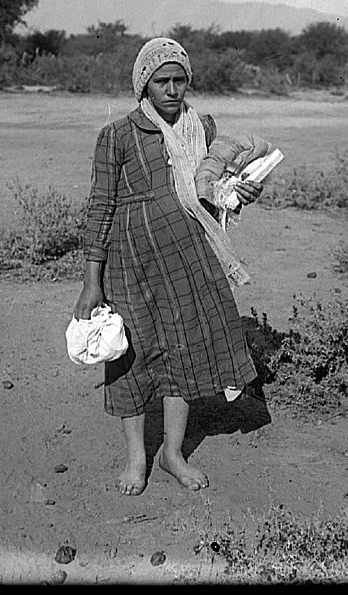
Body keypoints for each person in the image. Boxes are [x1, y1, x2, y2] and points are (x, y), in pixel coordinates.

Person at [73, 37, 267, 495]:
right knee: (131, 355)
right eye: (162, 81)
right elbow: (100, 206)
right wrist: (91, 280)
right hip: (129, 260)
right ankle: (136, 459)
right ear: (144, 85)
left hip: (186, 254)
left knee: (184, 350)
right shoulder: (117, 135)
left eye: (180, 80)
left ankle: (172, 454)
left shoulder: (202, 128)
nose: (173, 90)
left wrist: (242, 192)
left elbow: (213, 189)